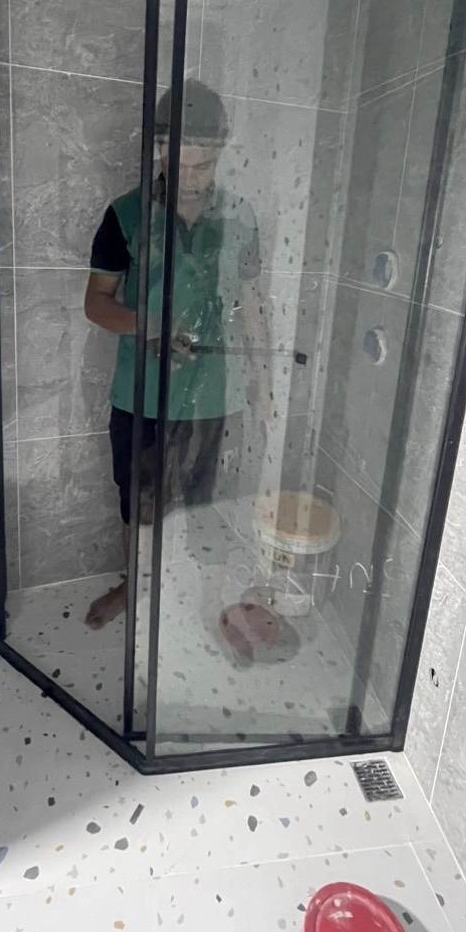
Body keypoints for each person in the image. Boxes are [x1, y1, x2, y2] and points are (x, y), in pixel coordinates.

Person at [83, 79, 271, 629]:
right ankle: (135, 586)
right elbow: (96, 303)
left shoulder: (239, 217)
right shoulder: (126, 215)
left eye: (203, 166)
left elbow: (253, 305)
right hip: (140, 392)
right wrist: (148, 324)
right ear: (159, 149)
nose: (190, 179)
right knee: (138, 499)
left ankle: (211, 601)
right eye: (178, 163)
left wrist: (265, 387)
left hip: (213, 392)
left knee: (208, 503)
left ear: (221, 152)